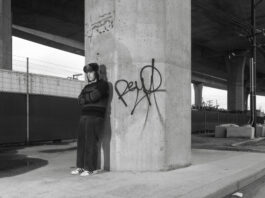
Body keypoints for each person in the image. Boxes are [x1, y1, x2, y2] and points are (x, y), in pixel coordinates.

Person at [71, 63, 109, 176]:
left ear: (96, 72)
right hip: (84, 116)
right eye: (87, 73)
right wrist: (88, 98)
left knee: (91, 143)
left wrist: (86, 98)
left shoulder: (103, 84)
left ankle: (90, 168)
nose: (89, 74)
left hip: (96, 117)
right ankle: (80, 167)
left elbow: (95, 96)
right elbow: (79, 100)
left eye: (91, 72)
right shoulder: (86, 87)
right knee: (81, 142)